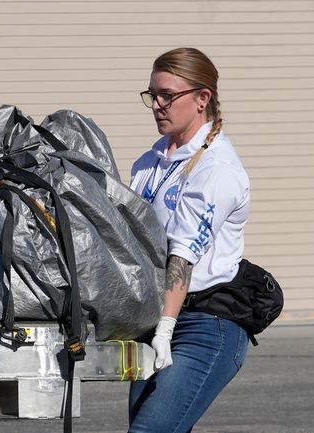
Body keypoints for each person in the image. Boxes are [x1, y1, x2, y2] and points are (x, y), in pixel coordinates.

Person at [127, 47, 251, 432]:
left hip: (204, 324)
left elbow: (183, 254)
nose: (157, 105)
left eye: (168, 95)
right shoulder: (149, 162)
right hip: (154, 317)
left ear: (202, 99)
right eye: (152, 95)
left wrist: (165, 328)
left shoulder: (217, 168)